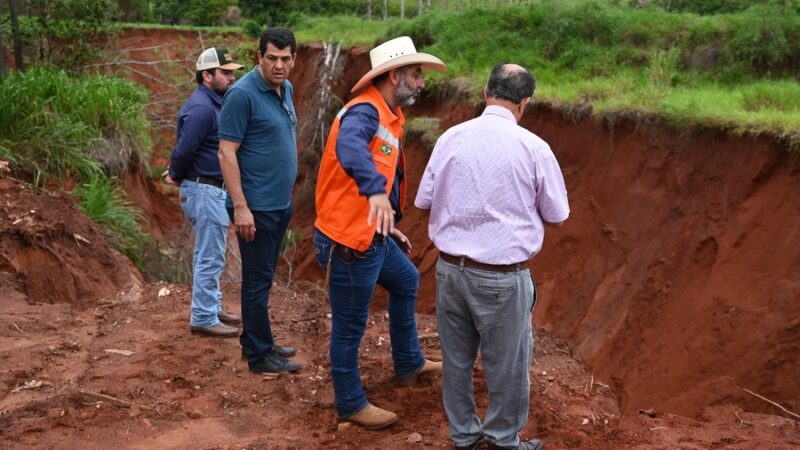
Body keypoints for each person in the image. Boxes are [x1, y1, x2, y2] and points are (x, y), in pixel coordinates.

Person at [415, 63, 570, 450]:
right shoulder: (534, 148)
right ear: (525, 103)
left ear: (486, 92)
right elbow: (557, 214)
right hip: (502, 276)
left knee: (456, 360)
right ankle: (502, 440)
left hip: (450, 270)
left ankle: (464, 436)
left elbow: (423, 202)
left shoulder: (451, 138)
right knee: (508, 367)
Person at [312, 36, 447, 430]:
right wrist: (373, 192)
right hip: (348, 241)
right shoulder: (363, 114)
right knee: (350, 326)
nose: (422, 83)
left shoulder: (389, 115)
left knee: (406, 280)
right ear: (393, 76)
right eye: (416, 75)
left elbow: (379, 170)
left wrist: (387, 224)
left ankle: (408, 362)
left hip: (371, 234)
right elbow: (351, 149)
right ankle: (350, 403)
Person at [218, 28, 301, 373]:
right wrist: (240, 206)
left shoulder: (286, 89)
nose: (278, 65)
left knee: (263, 277)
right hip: (256, 207)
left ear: (294, 60)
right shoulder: (242, 95)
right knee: (257, 280)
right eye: (272, 58)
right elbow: (226, 153)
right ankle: (259, 355)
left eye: (285, 59)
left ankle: (255, 341)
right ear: (259, 57)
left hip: (279, 204)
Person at [164, 47, 244, 338]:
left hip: (207, 188)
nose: (231, 77)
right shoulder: (202, 107)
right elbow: (185, 148)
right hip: (204, 188)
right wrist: (175, 172)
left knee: (207, 253)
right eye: (225, 72)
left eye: (232, 72)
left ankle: (210, 307)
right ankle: (203, 316)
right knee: (211, 255)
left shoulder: (212, 103)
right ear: (207, 76)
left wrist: (177, 171)